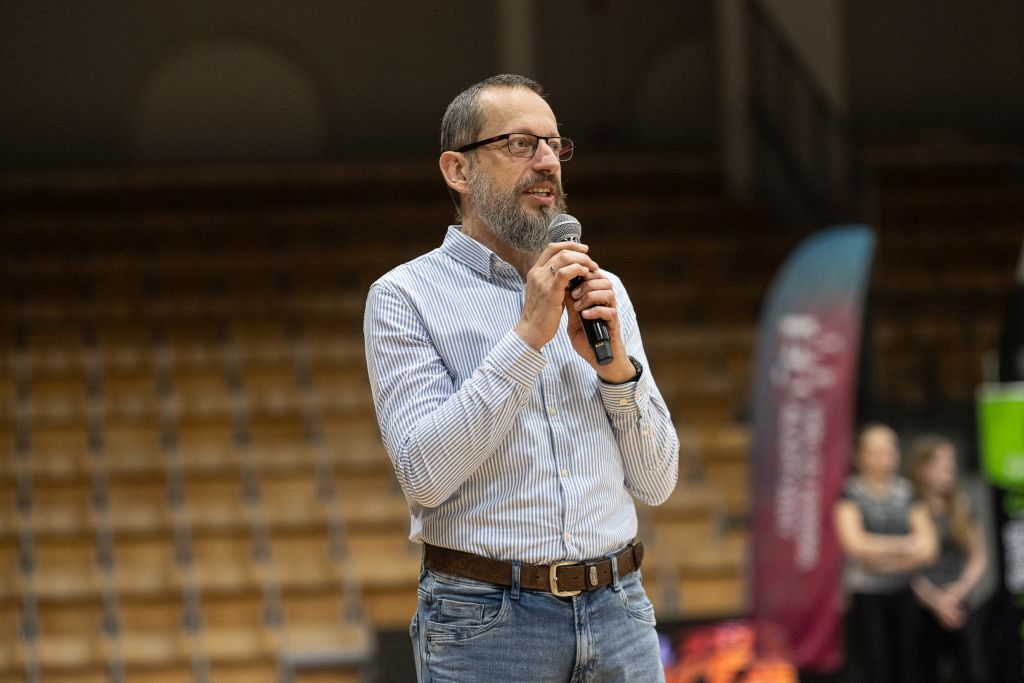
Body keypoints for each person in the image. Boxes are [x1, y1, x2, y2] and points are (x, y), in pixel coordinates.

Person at [363, 74, 679, 682]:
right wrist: (528, 336)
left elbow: (657, 481)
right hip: (487, 623)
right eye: (520, 144)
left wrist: (617, 372)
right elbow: (425, 477)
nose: (546, 162)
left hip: (620, 609)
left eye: (555, 146)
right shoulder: (404, 296)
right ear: (457, 169)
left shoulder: (602, 291)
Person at [833, 423, 938, 683]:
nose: (884, 458)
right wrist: (904, 546)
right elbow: (855, 544)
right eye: (876, 451)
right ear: (860, 456)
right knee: (875, 667)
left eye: (890, 450)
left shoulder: (908, 492)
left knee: (909, 666)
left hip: (904, 592)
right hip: (866, 594)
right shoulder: (850, 493)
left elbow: (928, 548)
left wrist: (881, 558)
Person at [906, 434, 990, 683]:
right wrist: (934, 600)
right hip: (921, 603)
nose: (949, 468)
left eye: (951, 461)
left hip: (960, 600)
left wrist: (957, 591)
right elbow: (904, 567)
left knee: (973, 669)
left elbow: (978, 556)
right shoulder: (909, 507)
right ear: (922, 468)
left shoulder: (962, 505)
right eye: (941, 462)